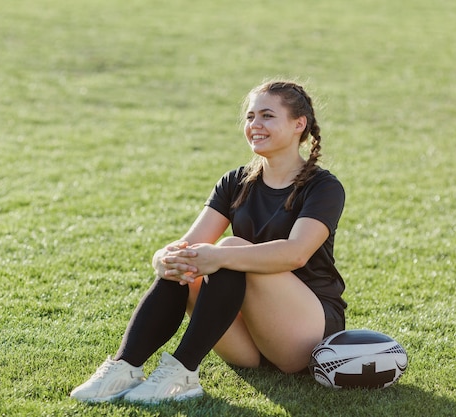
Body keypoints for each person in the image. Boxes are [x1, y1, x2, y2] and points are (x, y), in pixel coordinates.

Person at [70, 79, 347, 404]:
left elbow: (296, 254)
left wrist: (219, 256)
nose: (255, 125)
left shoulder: (323, 187)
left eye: (267, 116)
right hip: (252, 344)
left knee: (228, 250)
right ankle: (125, 366)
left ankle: (182, 372)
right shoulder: (235, 182)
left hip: (305, 334)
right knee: (189, 260)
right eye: (250, 117)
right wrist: (163, 257)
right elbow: (189, 245)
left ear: (298, 124)